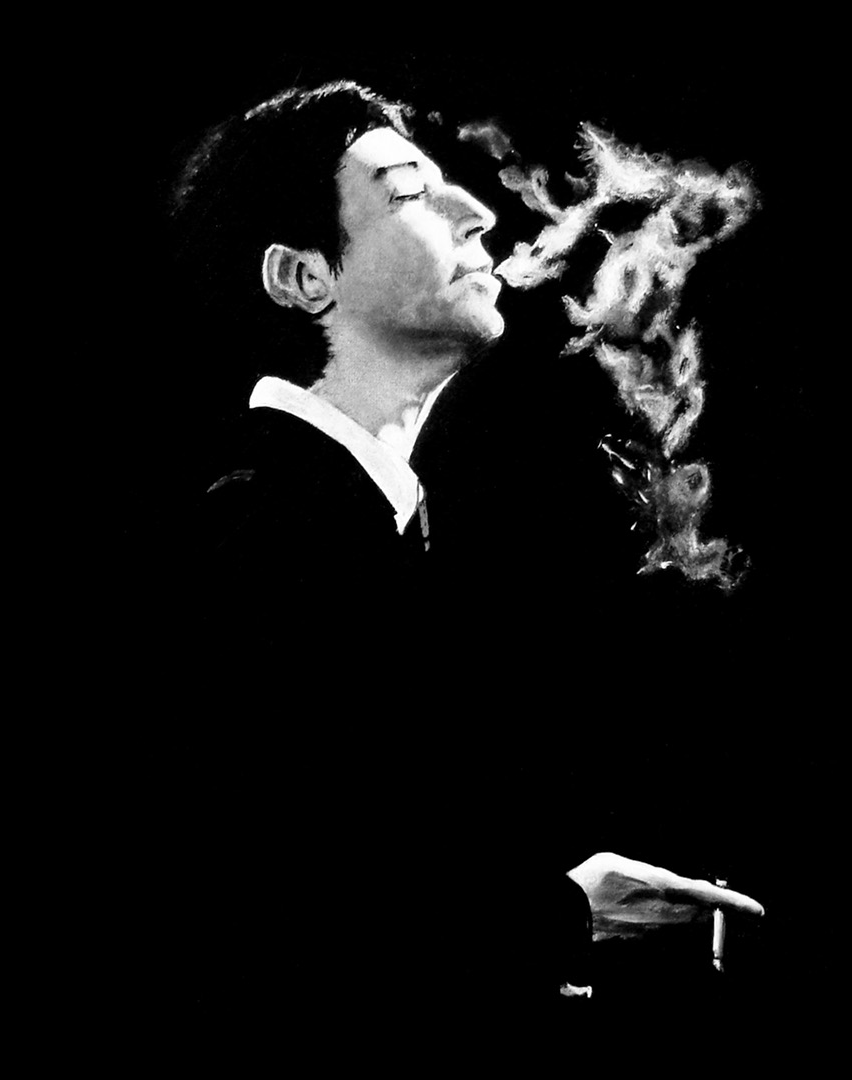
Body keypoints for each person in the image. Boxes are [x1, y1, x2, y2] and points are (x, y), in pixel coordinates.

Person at [154, 81, 763, 1037]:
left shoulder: (358, 528)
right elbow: (270, 912)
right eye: (407, 192)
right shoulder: (255, 539)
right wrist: (564, 917)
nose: (477, 212)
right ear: (303, 278)